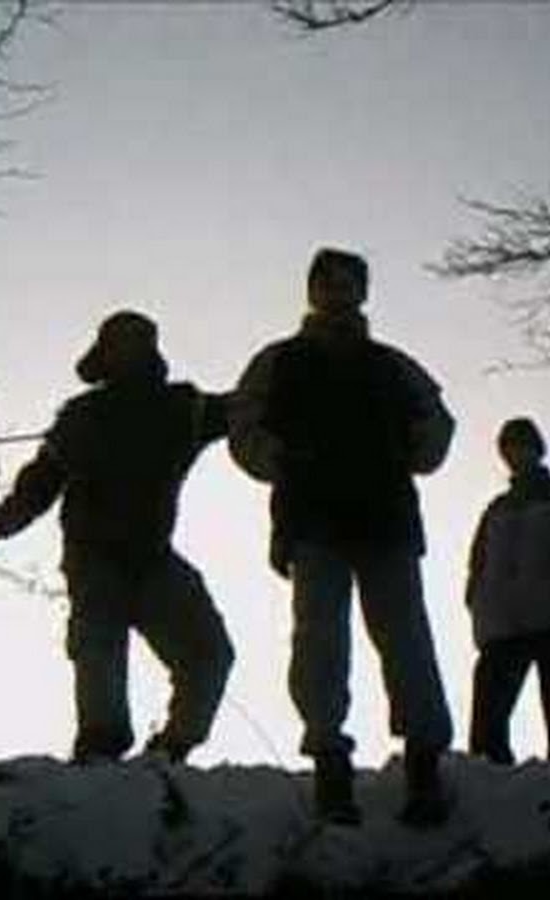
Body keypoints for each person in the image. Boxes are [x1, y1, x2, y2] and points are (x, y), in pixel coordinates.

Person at [229, 247, 455, 827]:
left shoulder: (391, 364)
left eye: (348, 282)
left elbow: (436, 424)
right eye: (327, 282)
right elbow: (244, 426)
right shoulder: (280, 361)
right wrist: (282, 460)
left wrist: (408, 450)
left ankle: (425, 764)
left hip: (386, 519)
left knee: (406, 639)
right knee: (320, 643)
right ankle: (330, 764)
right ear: (312, 290)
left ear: (362, 291)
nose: (337, 291)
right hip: (313, 521)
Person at [0, 310, 235, 766]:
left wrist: (284, 382)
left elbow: (242, 409)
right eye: (121, 343)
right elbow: (36, 487)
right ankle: (99, 752)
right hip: (93, 560)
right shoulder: (81, 418)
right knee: (99, 649)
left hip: (153, 558)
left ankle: (171, 750)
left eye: (140, 342)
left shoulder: (181, 408)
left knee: (209, 653)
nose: (131, 351)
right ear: (105, 353)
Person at [465, 417, 550, 765]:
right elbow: (478, 560)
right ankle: (489, 777)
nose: (515, 454)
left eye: (521, 445)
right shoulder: (497, 508)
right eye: (508, 447)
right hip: (504, 624)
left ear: (537, 449)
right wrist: (477, 600)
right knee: (487, 721)